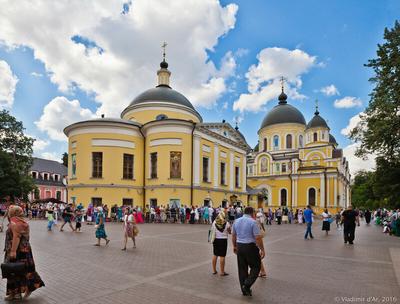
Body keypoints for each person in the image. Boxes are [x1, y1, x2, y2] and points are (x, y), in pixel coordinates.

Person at [3, 205, 44, 300]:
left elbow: (16, 237)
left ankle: (18, 292)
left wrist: (13, 251)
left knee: (14, 271)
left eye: (9, 210)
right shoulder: (21, 221)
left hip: (17, 250)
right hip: (24, 250)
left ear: (13, 212)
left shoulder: (14, 223)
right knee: (22, 270)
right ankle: (15, 293)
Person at [232, 206, 265, 297]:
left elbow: (233, 235)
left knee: (242, 268)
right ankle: (247, 284)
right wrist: (262, 249)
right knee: (256, 266)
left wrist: (234, 246)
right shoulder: (253, 222)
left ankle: (244, 290)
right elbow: (258, 238)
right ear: (252, 213)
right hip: (250, 246)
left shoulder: (236, 221)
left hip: (240, 245)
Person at [211, 211, 231, 276]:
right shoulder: (227, 223)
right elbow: (230, 232)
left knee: (215, 254)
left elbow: (212, 231)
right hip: (223, 240)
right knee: (222, 256)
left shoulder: (214, 222)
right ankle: (222, 272)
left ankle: (214, 270)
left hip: (216, 240)